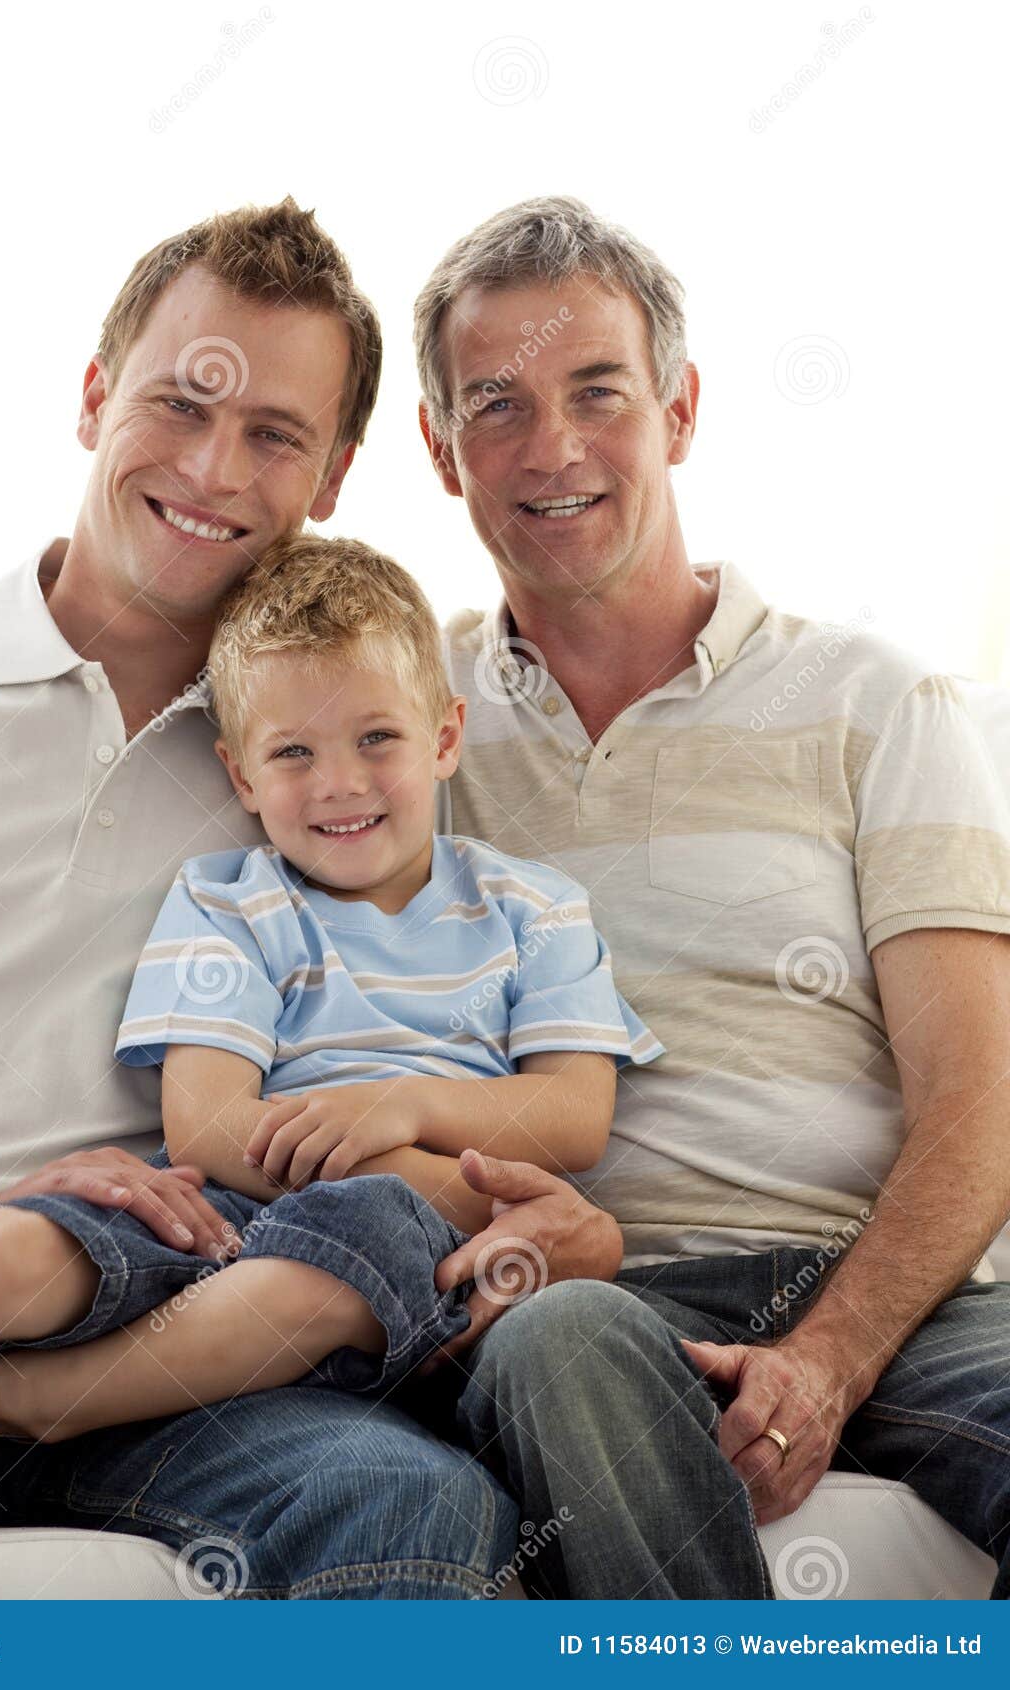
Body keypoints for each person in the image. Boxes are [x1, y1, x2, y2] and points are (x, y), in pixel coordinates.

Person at [0, 198, 623, 1602]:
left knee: (409, 1507)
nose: (214, 465)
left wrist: (552, 1218)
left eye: (275, 434)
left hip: (208, 1355)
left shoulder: (333, 749)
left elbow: (474, 1042)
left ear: (332, 473)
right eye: (182, 401)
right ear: (94, 396)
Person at [0, 534, 662, 1458]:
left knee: (335, 1263)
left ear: (446, 735)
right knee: (14, 1248)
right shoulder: (228, 901)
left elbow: (574, 1114)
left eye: (378, 737)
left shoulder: (533, 907)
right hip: (225, 1206)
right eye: (294, 753)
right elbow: (208, 1129)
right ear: (241, 775)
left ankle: (24, 1403)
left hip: (402, 1238)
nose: (340, 783)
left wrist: (400, 1112)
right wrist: (440, 1178)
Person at [409, 194, 1010, 1598]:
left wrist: (830, 1349)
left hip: (888, 1289)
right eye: (496, 405)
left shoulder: (876, 702)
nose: (550, 448)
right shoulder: (397, 726)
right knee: (560, 1343)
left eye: (596, 393)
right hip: (595, 1299)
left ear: (679, 410)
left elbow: (982, 1099)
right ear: (440, 451)